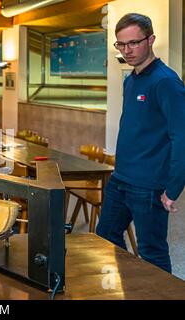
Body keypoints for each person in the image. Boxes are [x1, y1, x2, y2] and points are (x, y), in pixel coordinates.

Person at [96, 13, 185, 273]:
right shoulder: (130, 80)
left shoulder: (166, 82)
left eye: (134, 43)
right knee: (105, 235)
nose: (127, 50)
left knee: (152, 252)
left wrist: (173, 188)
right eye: (121, 45)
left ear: (151, 39)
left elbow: (181, 137)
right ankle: (131, 286)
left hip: (149, 186)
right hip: (121, 179)